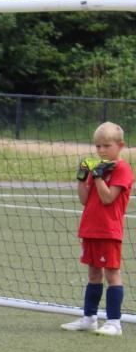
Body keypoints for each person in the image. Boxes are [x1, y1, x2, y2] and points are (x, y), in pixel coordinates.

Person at [60, 122, 131, 336]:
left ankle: (114, 323)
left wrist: (98, 176)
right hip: (90, 229)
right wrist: (82, 178)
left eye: (106, 146)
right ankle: (89, 318)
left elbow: (108, 198)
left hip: (108, 231)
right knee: (93, 274)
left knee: (112, 274)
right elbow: (84, 199)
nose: (101, 151)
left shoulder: (122, 169)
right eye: (98, 146)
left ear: (120, 145)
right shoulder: (97, 168)